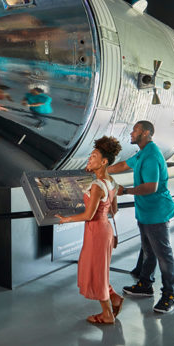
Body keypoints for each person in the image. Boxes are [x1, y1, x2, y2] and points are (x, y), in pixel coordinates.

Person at [106, 120, 174, 314]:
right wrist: (102, 169)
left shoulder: (152, 155)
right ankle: (145, 284)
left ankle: (170, 295)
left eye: (135, 130)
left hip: (157, 212)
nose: (131, 133)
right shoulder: (142, 153)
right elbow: (124, 165)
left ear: (146, 133)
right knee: (148, 251)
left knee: (163, 255)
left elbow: (151, 187)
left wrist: (125, 191)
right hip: (145, 212)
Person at [56, 136, 124, 324]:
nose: (89, 159)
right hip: (105, 229)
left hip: (96, 232)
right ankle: (114, 298)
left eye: (93, 157)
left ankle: (107, 314)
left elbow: (88, 215)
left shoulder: (97, 185)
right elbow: (114, 210)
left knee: (96, 272)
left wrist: (66, 219)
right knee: (100, 269)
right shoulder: (112, 182)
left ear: (103, 162)